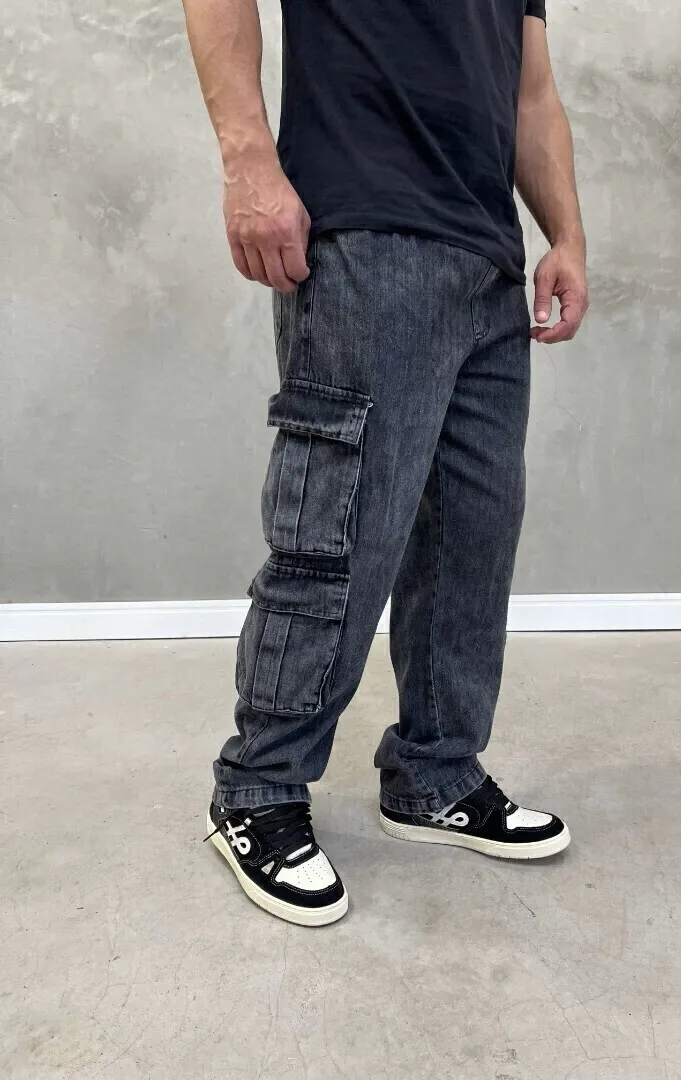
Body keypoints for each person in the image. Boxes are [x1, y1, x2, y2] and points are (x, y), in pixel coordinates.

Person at [183, 0, 588, 926]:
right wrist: (249, 162)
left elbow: (531, 92)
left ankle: (435, 773)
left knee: (472, 540)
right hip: (368, 233)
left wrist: (565, 235)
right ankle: (256, 789)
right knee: (339, 533)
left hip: (488, 260)